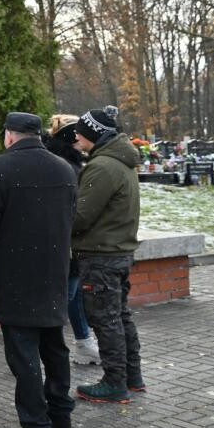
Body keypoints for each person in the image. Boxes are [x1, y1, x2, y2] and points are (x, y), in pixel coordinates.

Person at [0, 112, 78, 428]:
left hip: (16, 275)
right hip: (54, 270)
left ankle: (35, 427)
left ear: (9, 136)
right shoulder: (65, 169)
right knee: (54, 345)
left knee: (24, 355)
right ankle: (60, 414)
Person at [70, 106, 145, 404]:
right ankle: (132, 376)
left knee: (105, 320)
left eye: (80, 131)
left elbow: (81, 216)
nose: (75, 136)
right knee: (120, 316)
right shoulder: (120, 161)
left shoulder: (102, 166)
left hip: (101, 255)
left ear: (92, 133)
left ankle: (115, 382)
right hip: (118, 251)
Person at [45, 114, 99, 366]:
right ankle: (41, 347)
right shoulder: (66, 166)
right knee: (64, 297)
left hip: (71, 242)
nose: (81, 136)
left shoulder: (69, 163)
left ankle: (84, 342)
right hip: (66, 243)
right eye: (77, 132)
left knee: (75, 296)